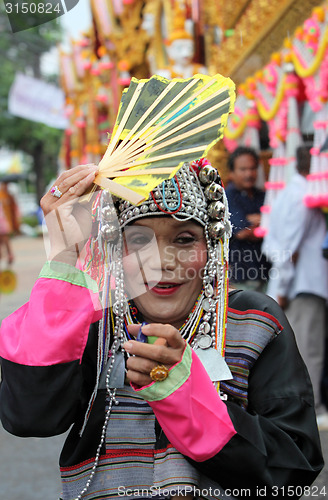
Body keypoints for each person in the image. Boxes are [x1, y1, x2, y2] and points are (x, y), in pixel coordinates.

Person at [0, 157, 323, 500]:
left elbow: (293, 471)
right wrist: (65, 257)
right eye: (139, 240)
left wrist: (186, 397)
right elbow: (29, 417)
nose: (163, 260)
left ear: (210, 245)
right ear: (116, 247)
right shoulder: (92, 323)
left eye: (184, 239)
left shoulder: (254, 321)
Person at [264, 146, 328, 429]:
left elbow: (272, 243)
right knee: (308, 349)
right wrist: (284, 285)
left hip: (290, 285)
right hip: (301, 286)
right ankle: (310, 409)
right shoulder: (304, 197)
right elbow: (289, 248)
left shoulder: (288, 193)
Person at [225, 146, 270, 291]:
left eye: (252, 168)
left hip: (264, 271)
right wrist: (265, 222)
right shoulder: (228, 196)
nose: (249, 174)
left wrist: (257, 222)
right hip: (240, 275)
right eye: (243, 169)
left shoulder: (262, 195)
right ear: (231, 172)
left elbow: (276, 226)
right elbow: (242, 232)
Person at [0, 182, 19, 265]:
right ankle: (8, 255)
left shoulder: (7, 195)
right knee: (4, 240)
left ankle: (9, 255)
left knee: (5, 239)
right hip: (3, 221)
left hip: (3, 221)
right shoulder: (2, 195)